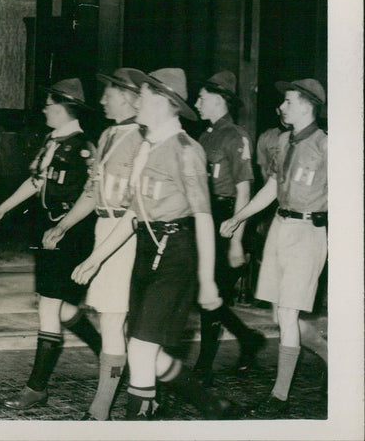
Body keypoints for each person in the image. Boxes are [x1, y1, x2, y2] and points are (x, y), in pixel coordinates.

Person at [71, 68, 234, 420]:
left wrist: (207, 281)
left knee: (142, 351)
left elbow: (203, 216)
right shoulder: (147, 145)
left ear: (164, 101)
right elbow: (134, 211)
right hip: (147, 249)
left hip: (176, 252)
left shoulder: (185, 150)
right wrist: (97, 258)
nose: (137, 102)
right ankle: (207, 401)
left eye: (142, 96)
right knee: (142, 345)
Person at [0, 78, 103, 410]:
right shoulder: (52, 140)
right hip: (49, 228)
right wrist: (3, 208)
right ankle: (109, 354)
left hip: (71, 230)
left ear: (65, 108)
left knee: (49, 306)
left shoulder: (84, 146)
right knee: (62, 308)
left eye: (49, 105)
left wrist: (64, 226)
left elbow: (92, 194)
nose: (44, 110)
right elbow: (37, 181)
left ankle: (36, 388)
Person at [220, 78, 328, 417]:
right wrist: (240, 217)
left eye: (289, 102)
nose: (281, 107)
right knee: (281, 313)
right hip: (281, 228)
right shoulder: (282, 140)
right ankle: (332, 358)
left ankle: (279, 399)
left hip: (309, 230)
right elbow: (272, 186)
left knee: (287, 313)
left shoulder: (328, 146)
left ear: (308, 105)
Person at [42, 68, 144, 420]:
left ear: (129, 97)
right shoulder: (108, 136)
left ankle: (100, 411)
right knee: (114, 322)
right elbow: (92, 191)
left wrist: (100, 255)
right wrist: (65, 225)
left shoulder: (142, 139)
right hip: (104, 228)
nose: (102, 100)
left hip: (125, 235)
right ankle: (148, 391)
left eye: (109, 94)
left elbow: (135, 204)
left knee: (115, 322)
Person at [192, 71, 265, 383]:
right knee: (205, 293)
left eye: (202, 98)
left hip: (226, 219)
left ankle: (203, 370)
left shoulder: (236, 136)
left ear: (220, 101)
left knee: (213, 293)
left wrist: (236, 241)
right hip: (205, 217)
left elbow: (244, 190)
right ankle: (248, 338)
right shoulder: (205, 135)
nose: (196, 103)